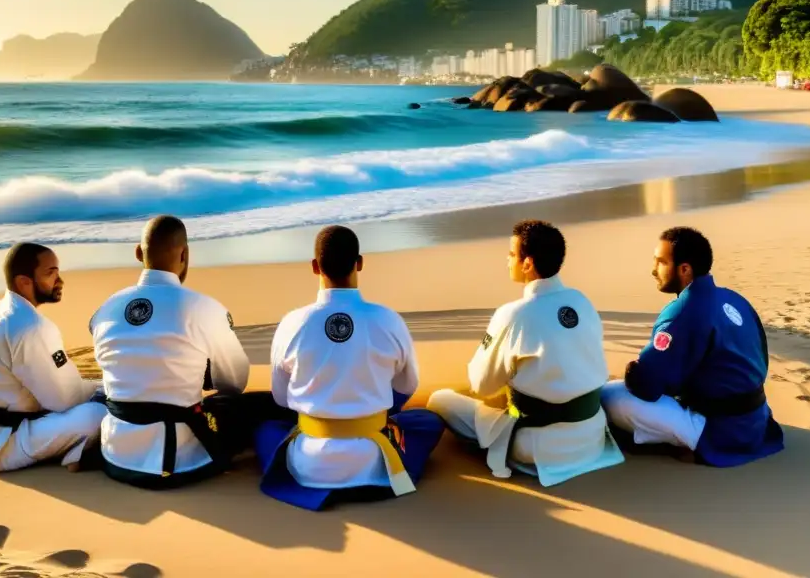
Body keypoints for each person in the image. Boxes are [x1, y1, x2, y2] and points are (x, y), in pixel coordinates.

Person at [89, 215, 289, 489]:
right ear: (184, 254)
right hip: (173, 460)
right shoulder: (203, 308)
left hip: (115, 454)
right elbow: (234, 382)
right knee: (261, 405)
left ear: (138, 253)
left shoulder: (106, 308)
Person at [255, 225, 446, 511]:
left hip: (309, 462)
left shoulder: (292, 322)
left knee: (268, 429)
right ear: (359, 263)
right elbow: (407, 386)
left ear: (314, 267)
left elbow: (281, 399)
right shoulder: (388, 319)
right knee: (427, 421)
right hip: (372, 457)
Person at [427, 220, 624, 486]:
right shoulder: (581, 301)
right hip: (592, 437)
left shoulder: (513, 314)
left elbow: (481, 385)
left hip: (540, 447)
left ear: (527, 263)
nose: (507, 260)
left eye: (511, 254)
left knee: (440, 400)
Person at [601, 227, 784, 466]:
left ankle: (681, 443)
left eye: (660, 262)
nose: (653, 270)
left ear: (684, 269)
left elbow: (646, 386)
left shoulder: (683, 311)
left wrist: (632, 370)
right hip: (757, 420)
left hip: (720, 431)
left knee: (609, 396)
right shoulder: (734, 299)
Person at [0, 243, 106, 473]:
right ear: (24, 282)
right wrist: (102, 394)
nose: (60, 281)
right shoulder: (30, 327)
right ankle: (78, 454)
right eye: (50, 273)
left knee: (96, 391)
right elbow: (64, 400)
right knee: (97, 414)